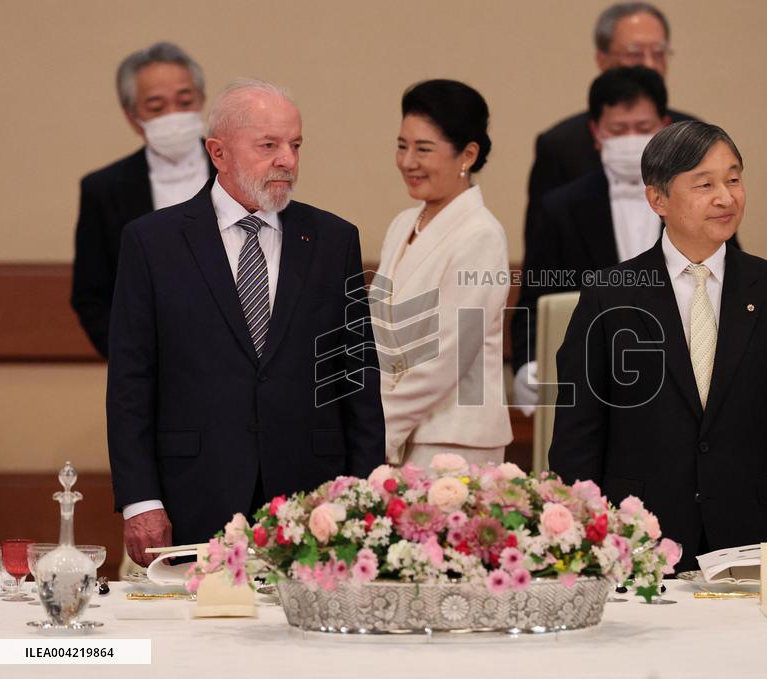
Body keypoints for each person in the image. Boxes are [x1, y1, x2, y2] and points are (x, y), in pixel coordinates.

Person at [107, 80, 385, 565]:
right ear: (218, 152)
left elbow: (357, 379)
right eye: (269, 145)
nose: (288, 160)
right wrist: (140, 500)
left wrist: (365, 496)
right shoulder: (153, 243)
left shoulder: (333, 239)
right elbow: (131, 382)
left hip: (313, 500)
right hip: (194, 491)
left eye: (295, 145)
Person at [549, 122, 767, 571]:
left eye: (734, 179)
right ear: (658, 199)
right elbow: (577, 436)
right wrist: (580, 548)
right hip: (640, 538)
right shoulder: (611, 294)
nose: (726, 197)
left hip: (753, 535)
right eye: (705, 184)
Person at [511, 66, 670, 411]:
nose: (631, 139)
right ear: (596, 133)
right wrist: (527, 363)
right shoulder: (561, 207)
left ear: (665, 128)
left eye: (643, 128)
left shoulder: (693, 201)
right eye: (618, 129)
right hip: (588, 379)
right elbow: (535, 296)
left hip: (676, 374)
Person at [372, 79, 512, 467]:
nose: (407, 162)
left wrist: (379, 427)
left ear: (467, 154)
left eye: (423, 149)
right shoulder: (402, 224)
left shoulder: (482, 234)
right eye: (402, 146)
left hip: (454, 443)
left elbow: (449, 354)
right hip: (394, 434)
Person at [72, 42, 214, 357]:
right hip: (149, 370)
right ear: (132, 116)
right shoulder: (104, 190)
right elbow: (91, 296)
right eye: (156, 106)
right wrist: (132, 362)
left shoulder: (238, 172)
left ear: (202, 100)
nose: (173, 115)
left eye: (185, 100)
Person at [524, 2, 697, 253]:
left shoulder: (694, 138)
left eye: (658, 53)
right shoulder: (561, 146)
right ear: (602, 60)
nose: (649, 65)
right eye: (635, 53)